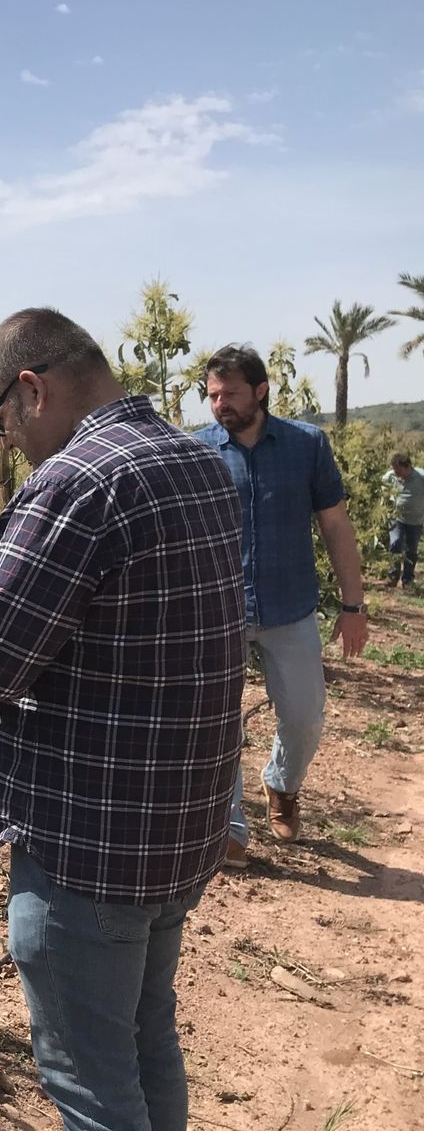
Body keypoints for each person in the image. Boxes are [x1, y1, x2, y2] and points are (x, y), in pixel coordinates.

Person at [0, 309, 244, 1131]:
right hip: (178, 828)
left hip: (91, 846)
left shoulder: (78, 483)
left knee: (92, 1086)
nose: (5, 446)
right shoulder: (196, 462)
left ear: (32, 391)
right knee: (145, 1042)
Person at [197, 346, 368, 860]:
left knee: (304, 717)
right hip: (219, 611)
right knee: (216, 722)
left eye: (230, 393)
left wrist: (354, 606)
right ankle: (228, 828)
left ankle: (282, 783)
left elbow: (335, 525)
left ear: (261, 390)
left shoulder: (306, 444)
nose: (220, 404)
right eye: (212, 395)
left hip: (289, 606)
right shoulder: (198, 450)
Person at [384, 451, 424, 590]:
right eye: (395, 470)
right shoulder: (391, 476)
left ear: (408, 467)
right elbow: (381, 488)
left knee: (411, 551)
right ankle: (392, 576)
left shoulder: (421, 476)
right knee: (395, 543)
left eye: (399, 470)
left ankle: (407, 580)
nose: (396, 473)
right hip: (397, 518)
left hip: (416, 521)